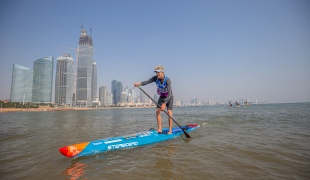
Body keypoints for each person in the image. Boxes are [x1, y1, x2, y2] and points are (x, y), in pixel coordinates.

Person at [134, 65, 173, 134]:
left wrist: (164, 104)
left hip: (169, 97)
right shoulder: (155, 78)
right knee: (157, 111)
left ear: (162, 72)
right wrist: (138, 83)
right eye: (156, 72)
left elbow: (169, 93)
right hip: (162, 96)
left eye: (158, 72)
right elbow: (147, 82)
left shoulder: (167, 80)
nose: (157, 74)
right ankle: (160, 128)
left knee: (169, 112)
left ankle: (170, 129)